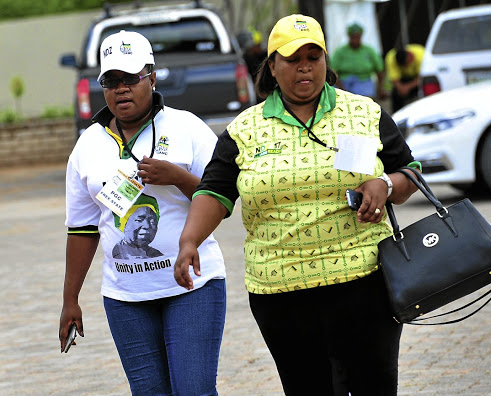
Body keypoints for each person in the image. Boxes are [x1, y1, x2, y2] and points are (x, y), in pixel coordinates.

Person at [174, 14, 421, 396]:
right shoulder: (244, 129)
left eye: (314, 55)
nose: (304, 66)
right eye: (292, 58)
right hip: (281, 294)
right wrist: (189, 240)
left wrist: (385, 183)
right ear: (272, 67)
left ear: (326, 62)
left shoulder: (365, 112)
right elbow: (215, 192)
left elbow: (410, 172)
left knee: (374, 386)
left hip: (365, 283)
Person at [58, 30, 226, 396]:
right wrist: (70, 299)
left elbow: (222, 198)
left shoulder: (187, 128)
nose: (121, 89)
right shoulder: (88, 146)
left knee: (194, 390)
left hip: (192, 287)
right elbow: (83, 229)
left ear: (151, 75)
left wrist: (178, 178)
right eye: (111, 81)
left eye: (131, 79)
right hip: (126, 298)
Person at [330, 22, 386, 99]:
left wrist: (380, 89)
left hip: (364, 82)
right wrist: (342, 88)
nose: (355, 40)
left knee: (367, 100)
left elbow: (379, 70)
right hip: (344, 82)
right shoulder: (340, 51)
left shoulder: (369, 51)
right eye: (353, 37)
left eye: (358, 37)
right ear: (349, 36)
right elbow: (333, 71)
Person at [385, 43, 425, 112]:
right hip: (402, 78)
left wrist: (408, 87)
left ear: (410, 55)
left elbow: (423, 77)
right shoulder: (391, 57)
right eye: (403, 66)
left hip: (417, 77)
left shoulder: (422, 55)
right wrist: (401, 88)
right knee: (395, 94)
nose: (406, 67)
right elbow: (395, 79)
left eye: (406, 64)